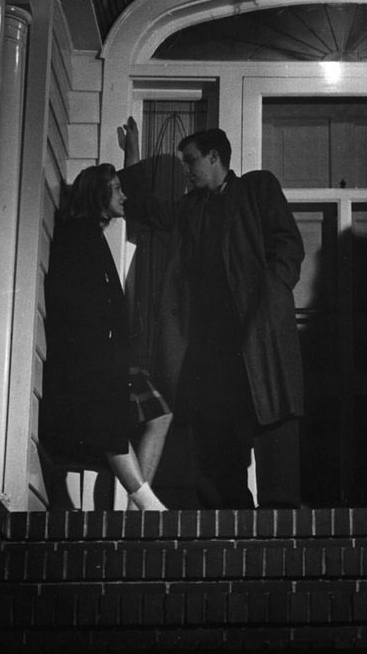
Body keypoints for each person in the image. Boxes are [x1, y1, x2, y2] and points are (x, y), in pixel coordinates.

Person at [120, 122, 306, 509]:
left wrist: (269, 304)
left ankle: (282, 540)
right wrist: (131, 156)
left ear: (214, 156)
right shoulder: (191, 207)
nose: (186, 170)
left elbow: (288, 246)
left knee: (274, 437)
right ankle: (227, 541)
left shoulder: (256, 188)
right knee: (217, 455)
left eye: (190, 161)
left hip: (258, 339)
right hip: (211, 351)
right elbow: (147, 210)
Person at [39, 163, 172, 511]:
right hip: (93, 360)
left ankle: (137, 508)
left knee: (159, 414)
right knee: (111, 425)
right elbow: (75, 307)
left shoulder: (90, 234)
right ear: (98, 195)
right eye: (116, 188)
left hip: (111, 356)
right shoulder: (77, 235)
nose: (123, 195)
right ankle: (146, 506)